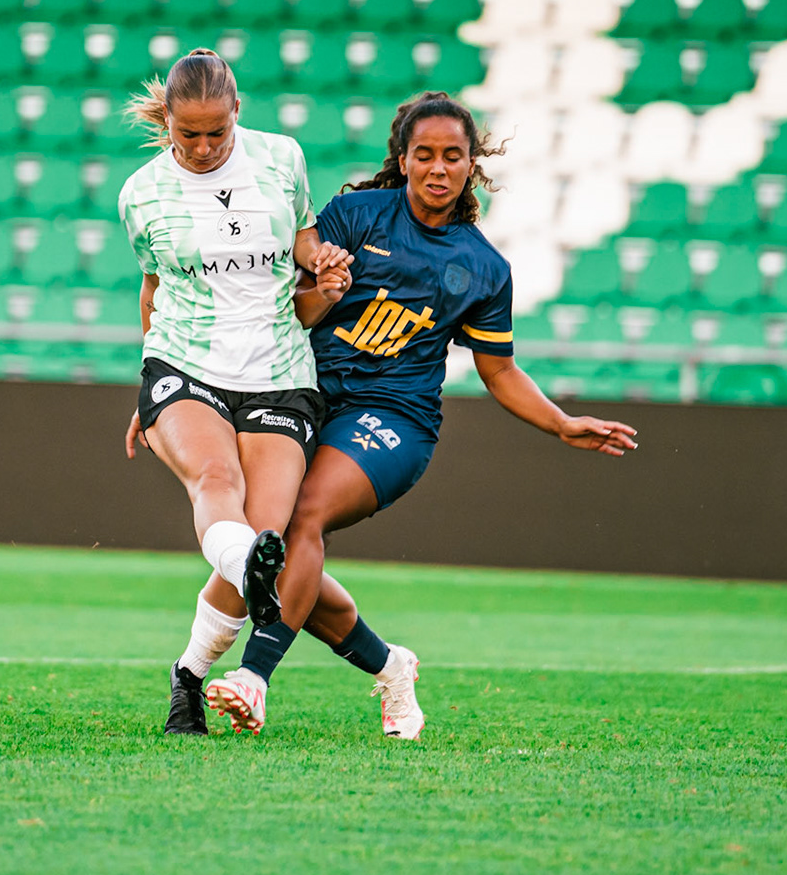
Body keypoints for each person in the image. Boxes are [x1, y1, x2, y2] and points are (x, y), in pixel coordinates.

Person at [202, 92, 639, 739]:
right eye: (425, 154)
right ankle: (390, 665)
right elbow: (283, 302)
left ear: (471, 165)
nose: (439, 167)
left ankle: (253, 678)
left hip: (394, 420)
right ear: (402, 159)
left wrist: (561, 423)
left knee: (304, 516)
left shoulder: (483, 268)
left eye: (453, 156)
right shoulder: (355, 216)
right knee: (277, 546)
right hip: (308, 397)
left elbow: (500, 371)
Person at [117, 47, 356, 737]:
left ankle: (188, 675)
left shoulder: (281, 159)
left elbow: (303, 243)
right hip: (185, 362)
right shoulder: (140, 193)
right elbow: (154, 288)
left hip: (279, 371)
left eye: (215, 132)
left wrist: (323, 264)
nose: (201, 147)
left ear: (237, 113)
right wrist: (148, 390)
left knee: (264, 536)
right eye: (186, 133)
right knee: (216, 480)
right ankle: (248, 568)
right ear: (166, 120)